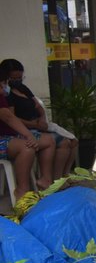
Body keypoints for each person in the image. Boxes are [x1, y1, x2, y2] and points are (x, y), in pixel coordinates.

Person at [0, 59, 76, 177]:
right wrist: (32, 128)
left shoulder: (23, 89)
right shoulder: (7, 96)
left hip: (36, 126)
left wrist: (42, 119)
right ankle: (49, 180)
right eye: (13, 79)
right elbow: (11, 118)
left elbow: (38, 106)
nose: (17, 81)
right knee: (51, 142)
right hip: (23, 130)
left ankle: (63, 177)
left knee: (72, 141)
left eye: (20, 78)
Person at [0, 66, 55, 198]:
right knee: (27, 148)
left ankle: (45, 181)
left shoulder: (4, 96)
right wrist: (28, 135)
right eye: (2, 84)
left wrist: (28, 135)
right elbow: (9, 117)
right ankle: (22, 190)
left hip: (10, 135)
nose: (4, 87)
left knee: (48, 140)